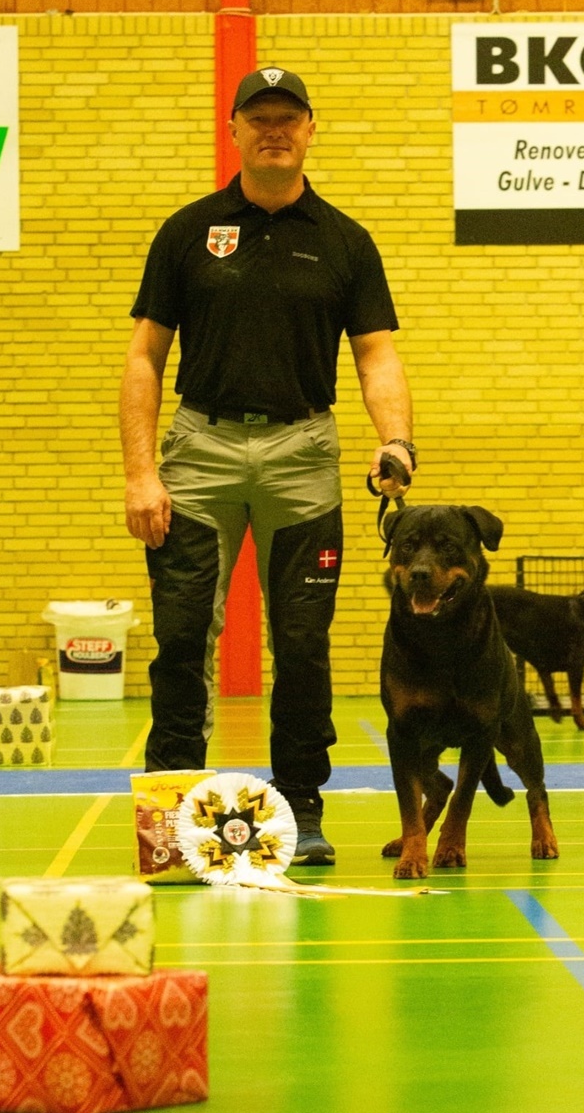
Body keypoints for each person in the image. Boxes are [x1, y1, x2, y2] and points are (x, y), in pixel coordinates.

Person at [120, 66, 413, 865]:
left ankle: (300, 812)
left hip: (303, 454)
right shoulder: (188, 232)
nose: (274, 131)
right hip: (201, 452)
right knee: (183, 635)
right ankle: (169, 823)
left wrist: (396, 439)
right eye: (260, 119)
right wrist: (141, 473)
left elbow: (377, 355)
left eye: (289, 118)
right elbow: (145, 356)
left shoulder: (345, 241)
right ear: (235, 131)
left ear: (310, 130)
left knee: (304, 642)